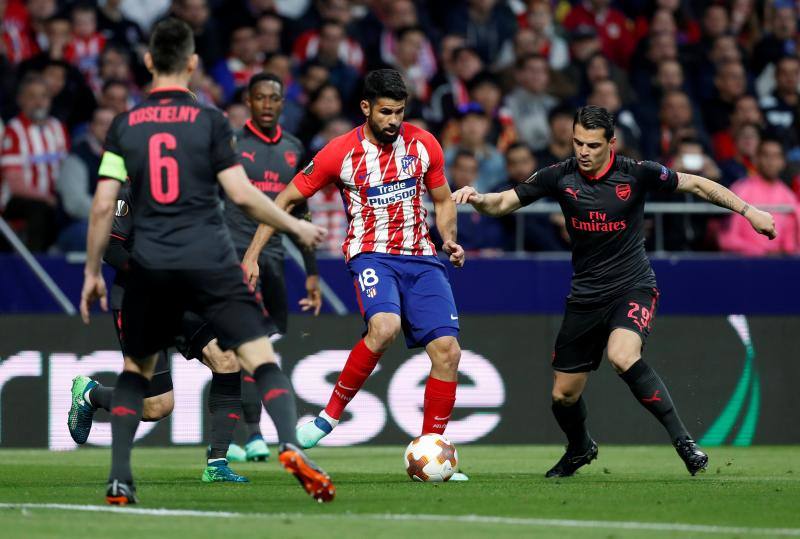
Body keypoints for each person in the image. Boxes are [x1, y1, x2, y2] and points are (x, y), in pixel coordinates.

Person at [78, 18, 334, 504]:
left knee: (220, 359)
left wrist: (91, 272)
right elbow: (242, 195)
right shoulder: (211, 125)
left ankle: (150, 473)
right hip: (189, 271)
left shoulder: (124, 128)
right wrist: (296, 225)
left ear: (150, 62)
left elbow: (98, 206)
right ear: (193, 64)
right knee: (192, 388)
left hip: (162, 278)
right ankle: (290, 442)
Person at [452, 105, 777, 478]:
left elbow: (698, 183)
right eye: (578, 143)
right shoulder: (559, 176)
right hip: (586, 296)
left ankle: (684, 442)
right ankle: (580, 447)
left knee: (622, 355)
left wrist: (749, 211)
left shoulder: (636, 173)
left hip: (632, 286)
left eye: (592, 144)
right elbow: (505, 202)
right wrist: (478, 199)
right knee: (563, 395)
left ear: (611, 143)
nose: (583, 152)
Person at [242, 69, 468, 480]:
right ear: (365, 108)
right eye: (385, 112)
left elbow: (442, 199)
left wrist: (449, 238)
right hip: (372, 255)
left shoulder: (424, 144)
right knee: (384, 327)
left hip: (422, 258)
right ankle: (329, 418)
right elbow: (287, 197)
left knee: (448, 352)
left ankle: (432, 448)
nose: (394, 121)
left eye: (399, 112)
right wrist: (253, 253)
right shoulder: (339, 153)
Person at [68, 183, 251, 484]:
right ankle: (92, 394)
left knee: (228, 361)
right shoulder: (130, 188)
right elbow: (111, 247)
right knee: (157, 407)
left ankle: (217, 462)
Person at [225, 72, 321, 462]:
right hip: (235, 254)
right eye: (259, 97)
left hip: (276, 257)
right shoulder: (231, 144)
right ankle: (249, 434)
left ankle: (244, 435)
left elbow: (302, 208)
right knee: (245, 346)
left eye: (273, 98)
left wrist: (312, 270)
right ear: (249, 101)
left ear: (283, 104)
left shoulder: (294, 148)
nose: (267, 104)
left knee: (265, 343)